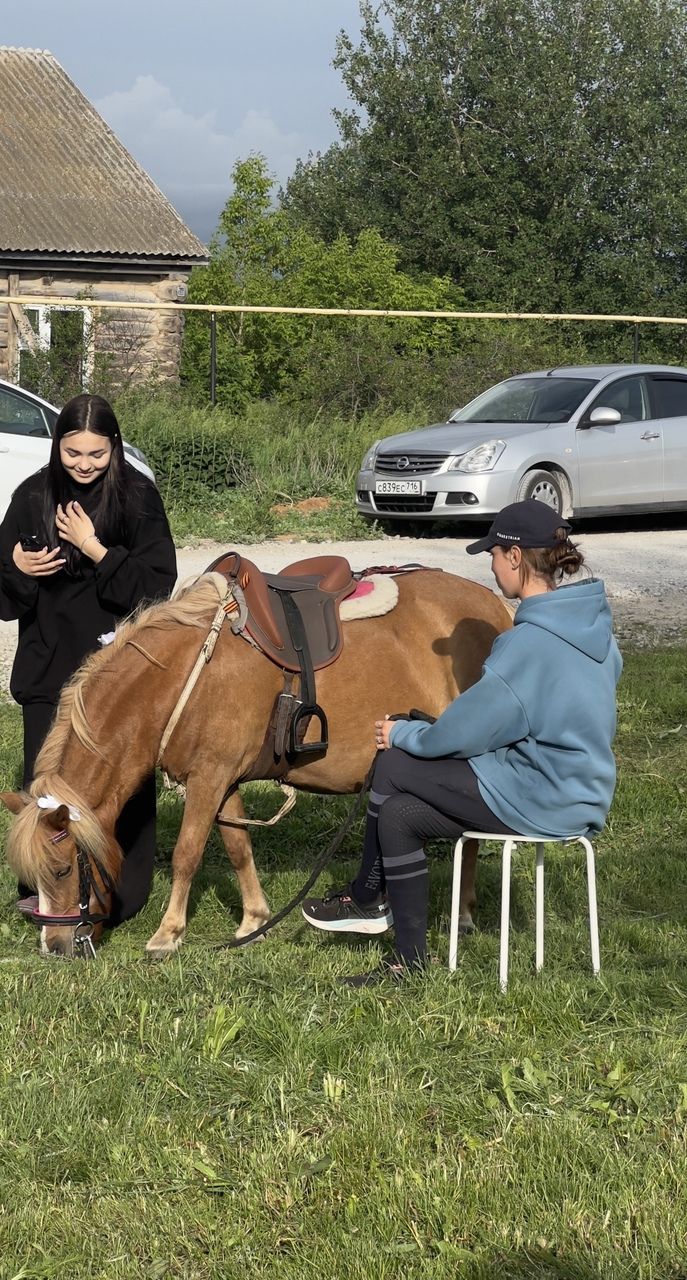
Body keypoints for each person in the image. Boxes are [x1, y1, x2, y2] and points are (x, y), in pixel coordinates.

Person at [302, 499, 623, 987]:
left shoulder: (528, 642)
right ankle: (404, 959)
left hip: (541, 795)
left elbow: (464, 732)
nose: (492, 567)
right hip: (581, 788)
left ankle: (369, 896)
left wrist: (402, 731)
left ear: (515, 556)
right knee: (398, 814)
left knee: (394, 761)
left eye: (494, 554)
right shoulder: (594, 629)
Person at [0, 392, 176, 923]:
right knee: (48, 783)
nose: (83, 464)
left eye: (96, 455)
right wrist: (18, 570)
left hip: (114, 673)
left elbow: (155, 591)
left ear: (114, 449)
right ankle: (43, 884)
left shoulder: (138, 498)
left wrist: (96, 549)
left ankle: (121, 889)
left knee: (120, 778)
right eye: (72, 453)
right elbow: (3, 590)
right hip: (49, 661)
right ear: (57, 447)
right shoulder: (32, 495)